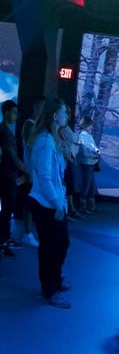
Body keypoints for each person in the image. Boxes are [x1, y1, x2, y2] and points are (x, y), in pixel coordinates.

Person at [27, 98, 71, 309]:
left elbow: (59, 172)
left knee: (60, 244)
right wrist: (56, 204)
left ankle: (55, 280)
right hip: (46, 203)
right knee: (50, 247)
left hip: (53, 201)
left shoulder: (53, 138)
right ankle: (50, 289)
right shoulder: (45, 141)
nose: (66, 116)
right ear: (54, 115)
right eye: (63, 112)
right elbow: (45, 177)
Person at [0, 100, 30, 256]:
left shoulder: (5, 130)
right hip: (7, 177)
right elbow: (12, 156)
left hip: (7, 175)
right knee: (7, 209)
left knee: (6, 210)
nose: (16, 116)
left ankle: (4, 239)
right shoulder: (5, 132)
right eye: (14, 112)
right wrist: (27, 171)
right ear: (6, 113)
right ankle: (4, 240)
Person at [17, 96, 44, 248]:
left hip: (34, 171)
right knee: (29, 202)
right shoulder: (30, 124)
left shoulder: (35, 125)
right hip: (30, 171)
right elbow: (32, 147)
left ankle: (29, 232)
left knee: (32, 202)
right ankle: (27, 233)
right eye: (40, 107)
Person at [76, 116, 100, 213]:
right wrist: (94, 155)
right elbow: (84, 152)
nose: (92, 127)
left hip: (91, 163)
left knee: (91, 185)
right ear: (86, 125)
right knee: (86, 185)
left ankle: (91, 204)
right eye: (90, 125)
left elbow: (93, 147)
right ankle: (83, 205)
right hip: (87, 163)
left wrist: (96, 152)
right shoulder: (83, 136)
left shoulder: (88, 136)